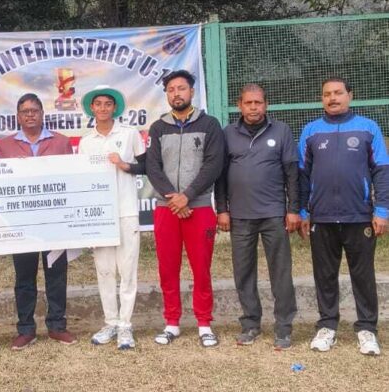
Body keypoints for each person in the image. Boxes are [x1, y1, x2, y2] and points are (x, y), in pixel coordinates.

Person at [299, 77, 388, 355]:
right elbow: (302, 175)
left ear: (350, 95)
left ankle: (367, 329)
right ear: (321, 98)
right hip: (321, 217)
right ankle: (327, 326)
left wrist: (382, 210)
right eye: (327, 94)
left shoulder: (368, 127)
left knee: (363, 275)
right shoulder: (311, 131)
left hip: (359, 216)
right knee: (324, 275)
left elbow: (382, 170)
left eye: (338, 93)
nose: (332, 98)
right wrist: (302, 211)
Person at [146, 69, 226, 348]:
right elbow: (152, 166)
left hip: (199, 208)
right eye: (171, 90)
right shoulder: (158, 127)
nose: (176, 94)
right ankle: (172, 322)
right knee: (168, 267)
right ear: (166, 95)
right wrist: (174, 199)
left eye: (181, 88)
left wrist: (188, 196)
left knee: (201, 267)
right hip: (167, 208)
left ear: (192, 92)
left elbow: (213, 165)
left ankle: (204, 323)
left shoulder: (210, 124)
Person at [216, 84, 299, 349]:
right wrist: (222, 209)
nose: (253, 107)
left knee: (281, 272)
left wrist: (293, 209)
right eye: (248, 103)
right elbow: (220, 176)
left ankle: (283, 327)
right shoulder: (228, 133)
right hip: (240, 217)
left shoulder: (281, 131)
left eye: (258, 102)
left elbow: (292, 174)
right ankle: (250, 324)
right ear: (239, 105)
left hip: (274, 214)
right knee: (243, 273)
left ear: (266, 104)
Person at [0, 92, 77, 349]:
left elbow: (72, 178)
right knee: (24, 277)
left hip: (55, 222)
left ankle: (57, 325)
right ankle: (26, 329)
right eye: (25, 111)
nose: (30, 115)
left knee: (57, 275)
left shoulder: (61, 142)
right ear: (18, 116)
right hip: (22, 224)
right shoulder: (5, 146)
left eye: (34, 111)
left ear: (42, 114)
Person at [78, 87, 145, 350]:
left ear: (115, 108)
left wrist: (124, 165)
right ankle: (111, 322)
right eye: (98, 104)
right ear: (92, 108)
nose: (103, 108)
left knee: (127, 270)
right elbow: (82, 180)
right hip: (100, 215)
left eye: (108, 104)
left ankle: (125, 325)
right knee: (105, 271)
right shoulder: (86, 142)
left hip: (126, 211)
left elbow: (146, 165)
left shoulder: (129, 134)